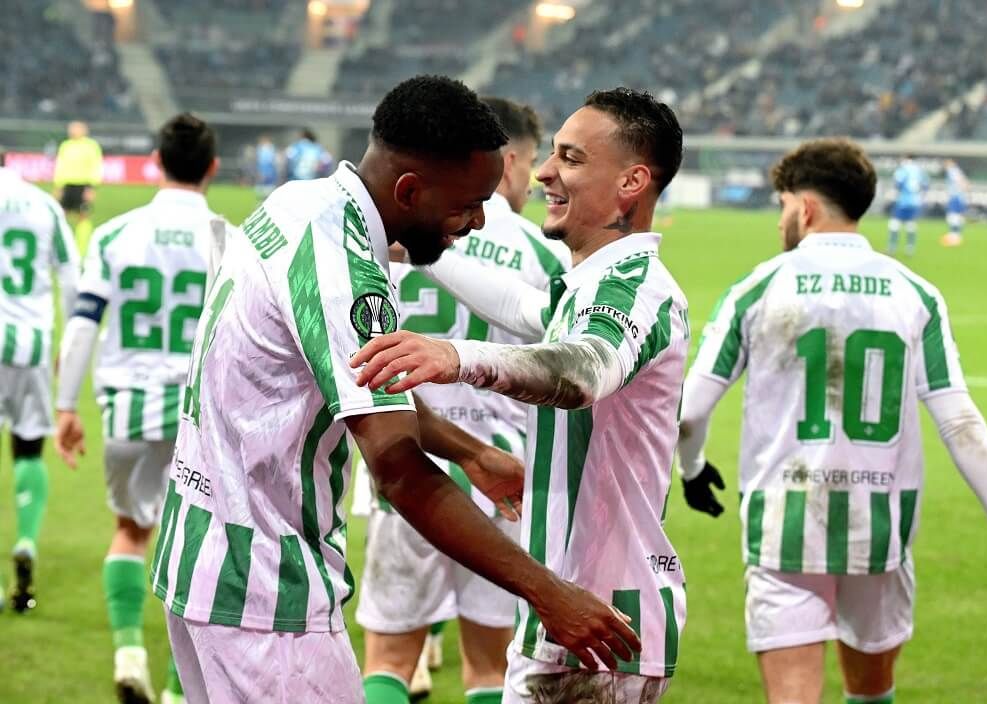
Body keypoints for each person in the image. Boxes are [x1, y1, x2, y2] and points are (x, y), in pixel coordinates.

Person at [150, 76, 638, 704]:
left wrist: (470, 452)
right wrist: (548, 593)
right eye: (468, 202)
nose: (479, 220)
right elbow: (398, 468)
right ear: (410, 189)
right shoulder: (347, 267)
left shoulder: (297, 203)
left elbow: (352, 385)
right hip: (265, 584)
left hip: (202, 551)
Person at [351, 87, 688, 703]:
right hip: (578, 603)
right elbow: (520, 306)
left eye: (573, 159)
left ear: (631, 182)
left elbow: (584, 370)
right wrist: (422, 247)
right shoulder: (590, 286)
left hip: (600, 615)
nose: (544, 173)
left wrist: (455, 356)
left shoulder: (634, 286)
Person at [677, 138, 987, 704]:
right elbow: (958, 419)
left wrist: (693, 469)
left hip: (783, 528)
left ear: (805, 208)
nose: (781, 222)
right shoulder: (916, 293)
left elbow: (690, 411)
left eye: (782, 207)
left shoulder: (755, 290)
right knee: (871, 694)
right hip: (881, 530)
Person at [354, 97, 570, 704]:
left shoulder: (396, 234)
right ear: (512, 160)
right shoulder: (542, 251)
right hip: (504, 475)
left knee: (391, 658)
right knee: (487, 664)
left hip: (405, 456)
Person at [54, 113, 228, 704]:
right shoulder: (228, 237)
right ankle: (183, 689)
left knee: (130, 531)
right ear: (212, 167)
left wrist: (64, 407)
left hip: (127, 406)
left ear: (155, 161)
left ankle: (129, 652)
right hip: (198, 415)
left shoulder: (114, 233)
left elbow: (81, 327)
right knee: (203, 547)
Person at [0, 149, 80, 613]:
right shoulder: (43, 205)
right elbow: (72, 282)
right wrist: (67, 349)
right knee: (29, 445)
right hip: (29, 342)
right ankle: (26, 541)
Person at [52, 121, 104, 253]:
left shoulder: (91, 146)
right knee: (61, 216)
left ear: (83, 130)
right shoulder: (66, 145)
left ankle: (81, 249)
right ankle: (62, 247)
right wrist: (58, 186)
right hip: (67, 185)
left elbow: (95, 166)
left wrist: (91, 187)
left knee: (83, 216)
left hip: (83, 185)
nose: (72, 131)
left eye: (75, 128)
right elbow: (60, 166)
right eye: (71, 129)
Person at [886, 155, 928, 257]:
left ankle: (892, 247)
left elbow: (898, 183)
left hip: (903, 201)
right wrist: (920, 195)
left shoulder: (903, 169)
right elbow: (926, 184)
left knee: (894, 223)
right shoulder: (919, 170)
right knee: (911, 225)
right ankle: (910, 248)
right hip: (915, 202)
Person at [939, 159, 969, 247]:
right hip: (960, 196)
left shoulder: (952, 171)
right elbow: (964, 182)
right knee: (958, 216)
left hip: (956, 196)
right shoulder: (957, 171)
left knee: (953, 215)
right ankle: (957, 236)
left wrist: (963, 188)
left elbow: (960, 182)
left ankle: (954, 236)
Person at [255, 134, 279, 199]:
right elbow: (260, 161)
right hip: (264, 170)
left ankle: (267, 200)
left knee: (269, 186)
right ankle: (262, 201)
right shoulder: (261, 148)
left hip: (269, 170)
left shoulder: (270, 148)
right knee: (262, 187)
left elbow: (272, 160)